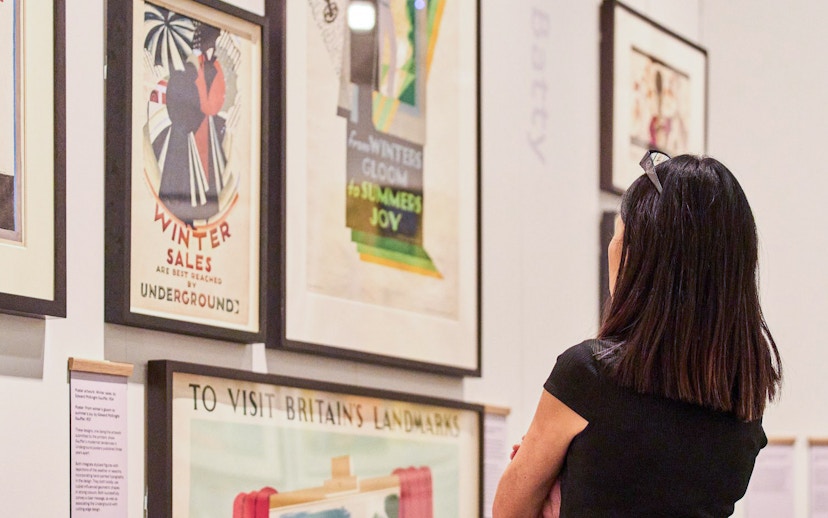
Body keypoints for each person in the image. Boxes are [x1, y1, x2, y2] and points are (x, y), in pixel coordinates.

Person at [492, 152, 782, 517]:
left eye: (619, 235)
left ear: (641, 257)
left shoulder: (588, 376)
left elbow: (510, 511)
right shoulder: (744, 404)